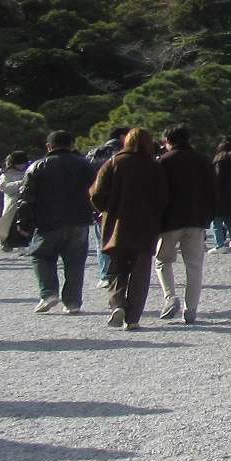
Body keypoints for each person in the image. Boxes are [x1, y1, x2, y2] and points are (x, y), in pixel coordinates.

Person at [90, 127, 168, 331]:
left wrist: (107, 208)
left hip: (117, 224)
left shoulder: (114, 162)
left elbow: (96, 193)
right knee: (141, 272)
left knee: (117, 268)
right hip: (146, 225)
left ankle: (117, 303)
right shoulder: (155, 166)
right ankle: (133, 318)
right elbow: (163, 198)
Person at [23, 130, 96, 314]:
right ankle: (72, 302)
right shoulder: (85, 165)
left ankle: (48, 293)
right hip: (79, 219)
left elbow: (26, 198)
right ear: (72, 145)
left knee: (41, 256)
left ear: (49, 146)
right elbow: (97, 190)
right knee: (75, 261)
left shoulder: (37, 166)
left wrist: (23, 222)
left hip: (48, 220)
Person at [154, 125, 217, 324]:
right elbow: (213, 191)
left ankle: (170, 297)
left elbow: (158, 193)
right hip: (196, 220)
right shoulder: (203, 161)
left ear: (168, 141)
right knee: (194, 266)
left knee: (163, 261)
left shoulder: (163, 162)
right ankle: (191, 311)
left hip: (170, 220)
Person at [87, 126, 127, 291]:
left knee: (101, 240)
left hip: (99, 205)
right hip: (122, 204)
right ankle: (121, 273)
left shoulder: (93, 154)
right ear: (123, 136)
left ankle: (105, 274)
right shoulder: (124, 155)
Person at [0, 151, 33, 252]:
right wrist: (20, 183)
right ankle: (7, 244)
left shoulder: (27, 172)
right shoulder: (5, 174)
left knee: (25, 225)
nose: (22, 165)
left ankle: (23, 245)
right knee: (10, 227)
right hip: (12, 205)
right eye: (20, 163)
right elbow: (4, 187)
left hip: (25, 204)